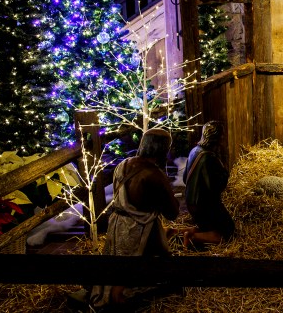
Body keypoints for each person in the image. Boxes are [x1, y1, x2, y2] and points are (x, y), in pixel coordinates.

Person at [90, 128, 179, 308]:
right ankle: (120, 290)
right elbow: (172, 212)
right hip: (141, 230)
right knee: (147, 269)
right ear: (162, 149)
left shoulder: (123, 164)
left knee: (117, 263)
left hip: (117, 226)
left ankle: (117, 285)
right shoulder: (154, 175)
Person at [182, 120, 235, 247]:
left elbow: (185, 178)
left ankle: (177, 232)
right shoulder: (209, 158)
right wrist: (224, 174)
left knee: (208, 227)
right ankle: (191, 237)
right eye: (222, 135)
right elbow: (213, 187)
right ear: (217, 137)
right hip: (204, 205)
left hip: (191, 202)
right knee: (228, 233)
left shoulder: (195, 150)